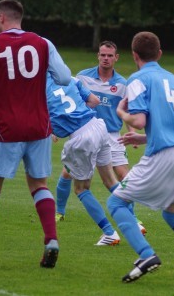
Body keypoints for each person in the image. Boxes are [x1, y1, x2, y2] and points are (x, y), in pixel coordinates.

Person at [106, 31, 174, 283]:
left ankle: (146, 255)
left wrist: (121, 112)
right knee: (172, 214)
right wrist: (145, 139)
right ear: (160, 54)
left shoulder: (137, 78)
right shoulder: (173, 78)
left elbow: (139, 120)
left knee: (116, 203)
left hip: (164, 155)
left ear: (134, 55)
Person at [0, 0, 71, 268]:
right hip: (39, 126)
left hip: (4, 128)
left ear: (2, 18)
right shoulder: (43, 43)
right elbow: (64, 77)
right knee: (39, 185)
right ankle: (51, 239)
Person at [55, 41, 146, 235]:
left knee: (123, 176)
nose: (106, 58)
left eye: (109, 55)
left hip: (112, 135)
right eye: (102, 55)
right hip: (87, 131)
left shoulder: (123, 83)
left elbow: (126, 109)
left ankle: (132, 217)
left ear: (116, 58)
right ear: (98, 56)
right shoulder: (83, 77)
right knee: (67, 173)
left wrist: (132, 130)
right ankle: (59, 212)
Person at [46, 73, 122, 246]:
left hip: (82, 138)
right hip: (98, 125)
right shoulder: (69, 78)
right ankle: (134, 221)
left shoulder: (37, 88)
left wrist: (61, 126)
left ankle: (109, 233)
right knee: (110, 180)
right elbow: (94, 101)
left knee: (81, 189)